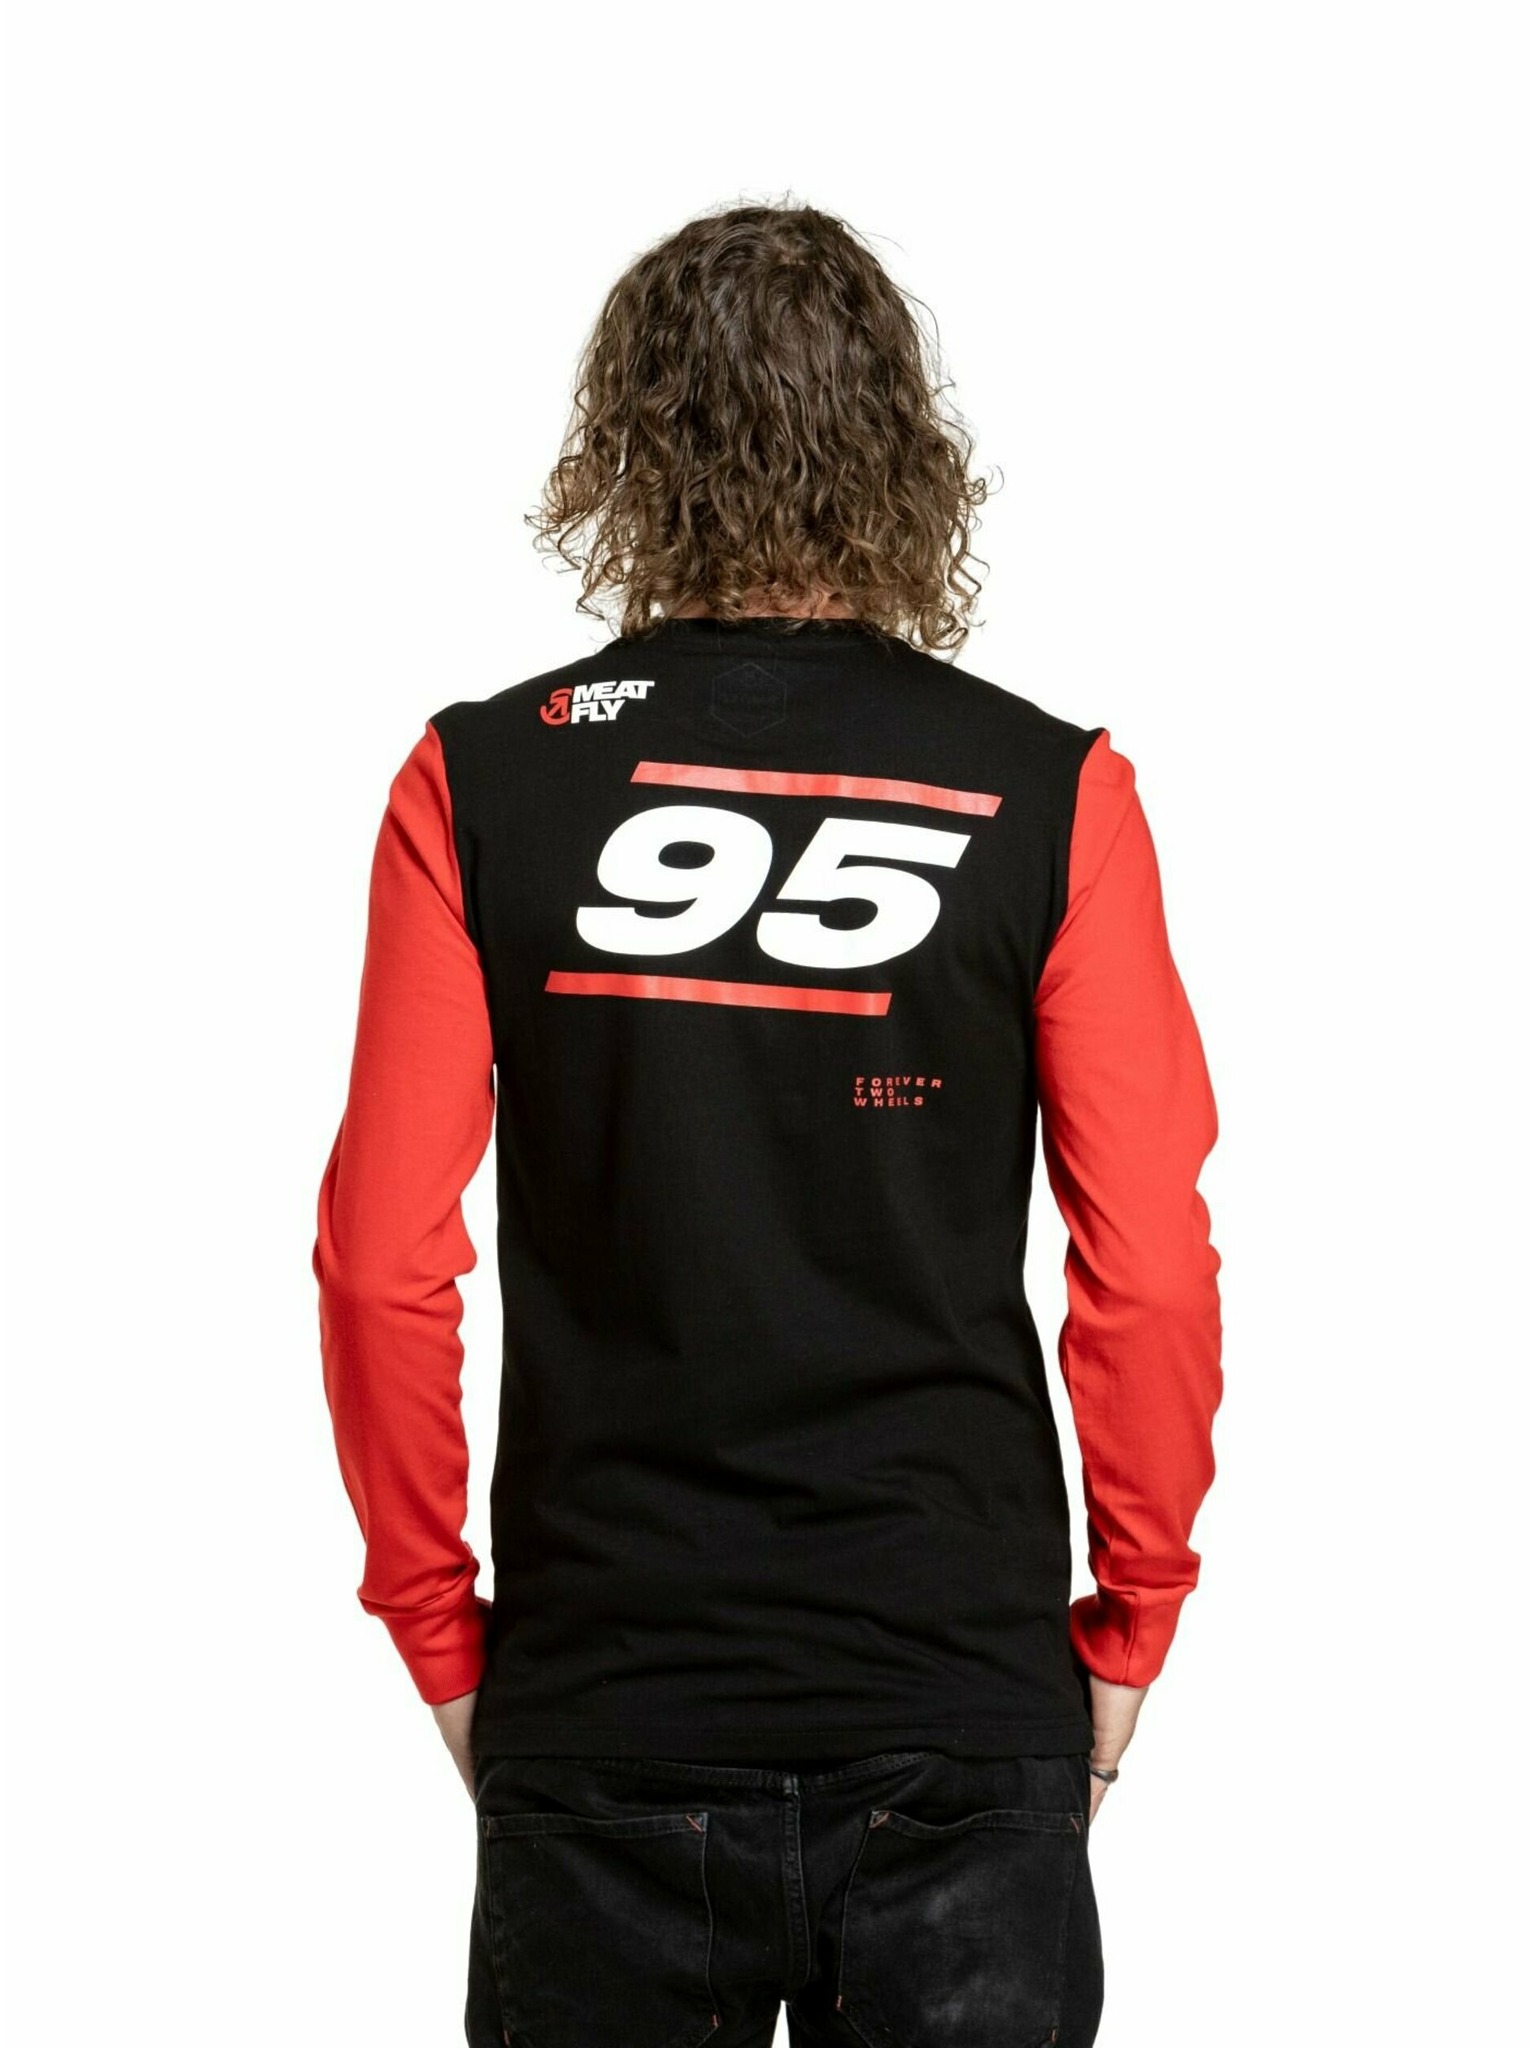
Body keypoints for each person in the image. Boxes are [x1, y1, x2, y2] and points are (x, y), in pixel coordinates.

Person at [314, 200, 1223, 2048]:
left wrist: (443, 1634)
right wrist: (1134, 1615)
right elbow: (1147, 1263)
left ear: (631, 445)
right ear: (904, 446)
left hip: (608, 1705)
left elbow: (379, 1263)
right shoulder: (1050, 793)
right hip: (957, 1706)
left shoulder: (482, 782)